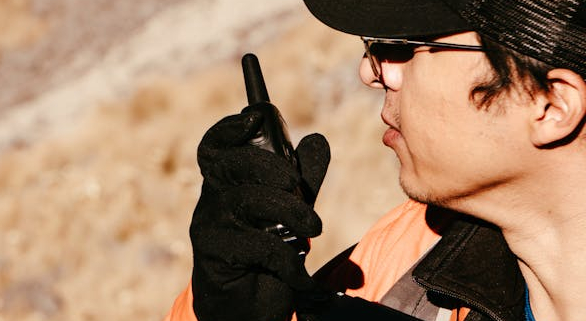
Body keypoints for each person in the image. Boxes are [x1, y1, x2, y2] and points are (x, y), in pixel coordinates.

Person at [164, 0, 586, 320]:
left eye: (402, 47)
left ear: (551, 106)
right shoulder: (404, 261)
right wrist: (224, 309)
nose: (371, 73)